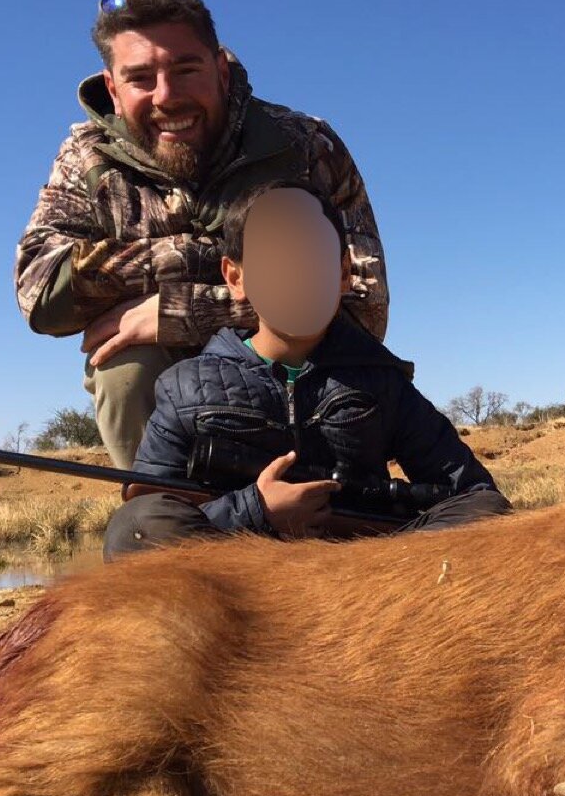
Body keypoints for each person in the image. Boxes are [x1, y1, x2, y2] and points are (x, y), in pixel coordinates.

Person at [16, 0, 388, 468]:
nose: (166, 96)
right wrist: (229, 258)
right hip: (168, 406)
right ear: (112, 85)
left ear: (221, 71)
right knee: (123, 368)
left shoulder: (306, 144)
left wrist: (180, 312)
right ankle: (166, 516)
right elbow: (40, 291)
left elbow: (365, 307)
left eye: (185, 69)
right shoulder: (82, 157)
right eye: (140, 78)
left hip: (299, 377)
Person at [102, 183, 509, 559]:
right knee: (135, 528)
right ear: (235, 277)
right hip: (240, 578)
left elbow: (473, 493)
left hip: (364, 572)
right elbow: (148, 508)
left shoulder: (382, 380)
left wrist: (387, 550)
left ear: (344, 273)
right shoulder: (184, 385)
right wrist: (256, 512)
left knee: (487, 512)